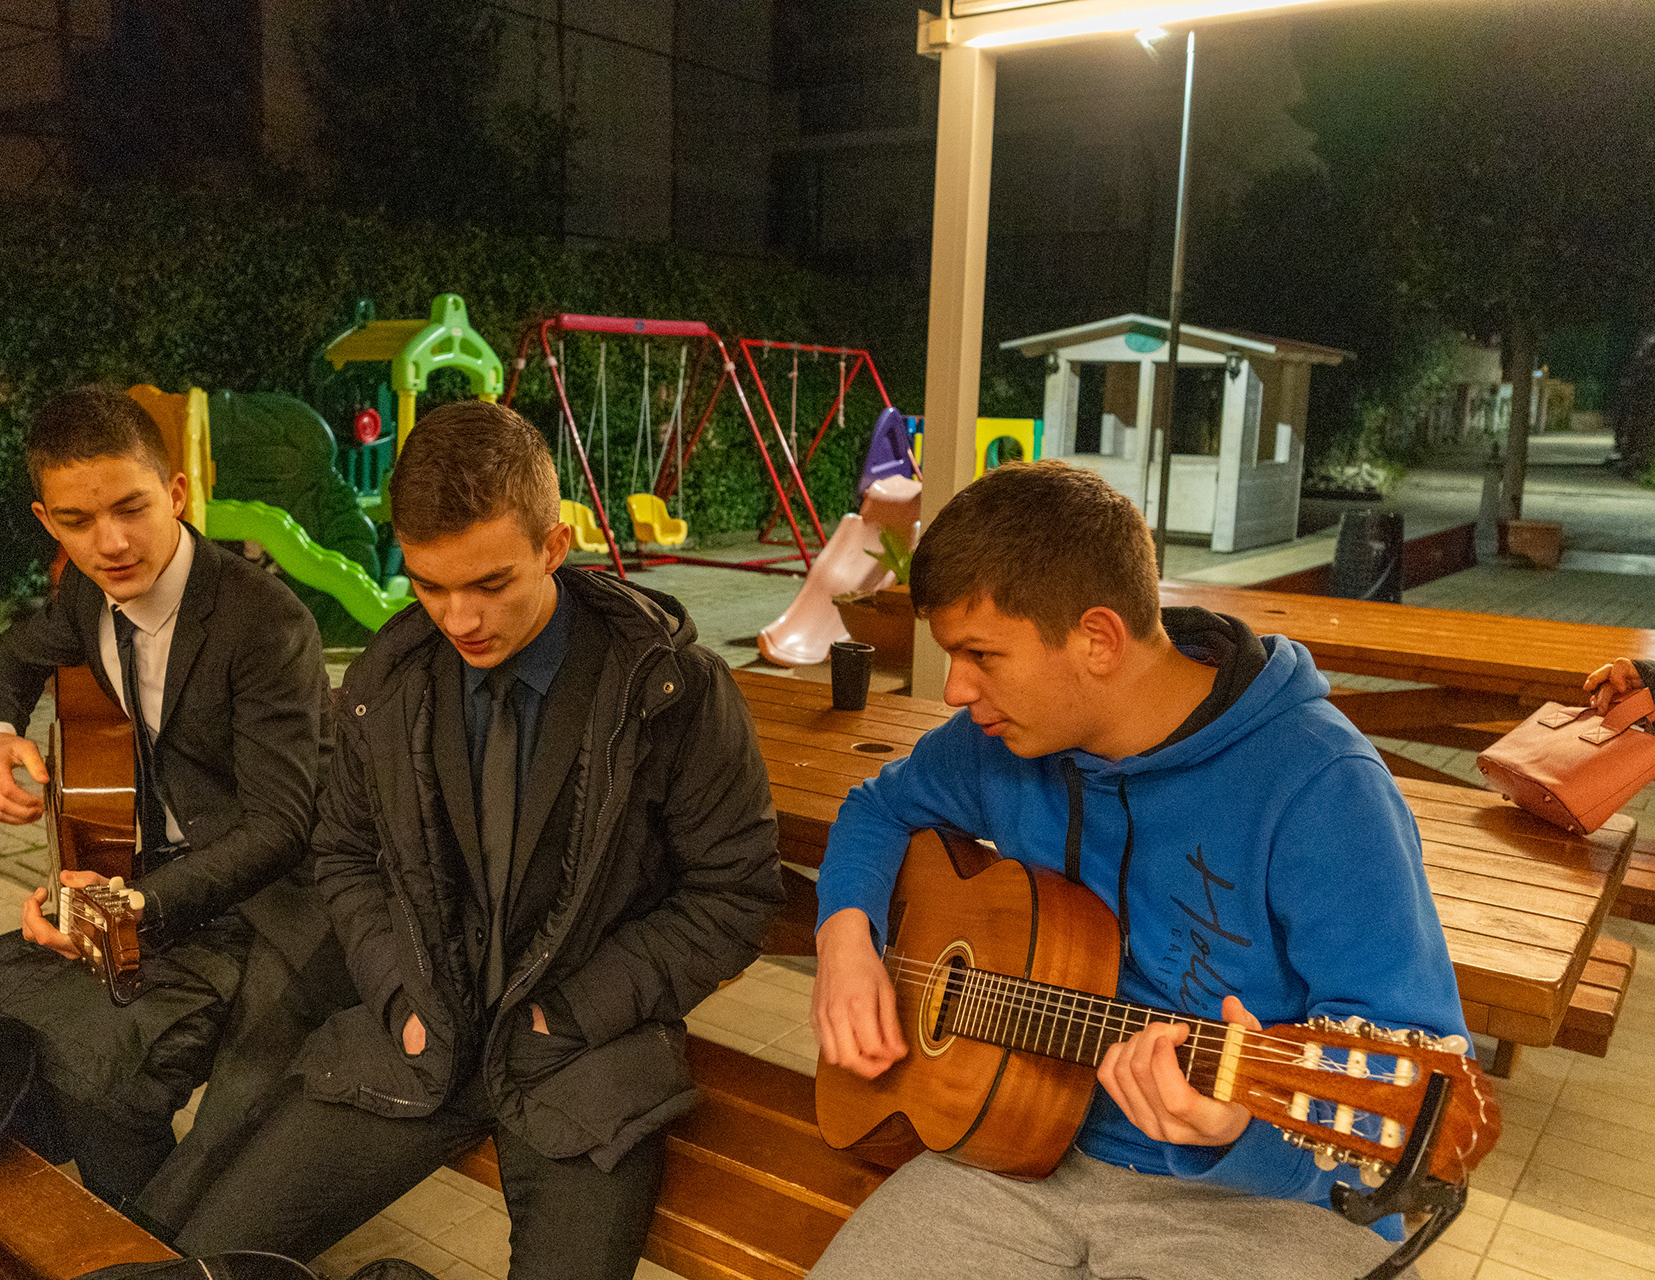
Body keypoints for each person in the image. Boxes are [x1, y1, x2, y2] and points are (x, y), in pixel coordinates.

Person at [808, 460, 1470, 1280]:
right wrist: (846, 938)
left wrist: (1240, 1130)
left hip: (1263, 1204)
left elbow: (1414, 1088)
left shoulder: (1321, 786)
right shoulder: (1000, 742)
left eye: (980, 654)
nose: (953, 690)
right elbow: (878, 809)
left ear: (1098, 639)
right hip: (1013, 1154)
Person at [169, 400, 784, 1277]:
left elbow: (735, 893)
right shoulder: (387, 681)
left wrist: (571, 1014)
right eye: (429, 585)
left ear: (554, 545)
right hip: (422, 1036)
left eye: (491, 584)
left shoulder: (673, 688)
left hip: (582, 1058)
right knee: (198, 1263)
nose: (459, 619)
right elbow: (344, 854)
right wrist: (399, 994)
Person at [0, 386, 332, 1211]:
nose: (111, 542)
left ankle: (155, 1243)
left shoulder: (265, 623)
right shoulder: (87, 593)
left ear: (176, 493)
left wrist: (127, 906)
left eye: (131, 509)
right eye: (77, 521)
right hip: (148, 882)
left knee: (107, 1075)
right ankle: (99, 1227)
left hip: (272, 907)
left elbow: (282, 826)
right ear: (47, 519)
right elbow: (14, 656)